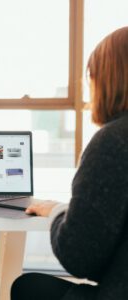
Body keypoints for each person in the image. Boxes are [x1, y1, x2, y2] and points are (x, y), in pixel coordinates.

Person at [11, 26, 128, 300]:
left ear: (107, 79)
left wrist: (57, 213)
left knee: (27, 288)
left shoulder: (113, 141)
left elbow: (79, 257)